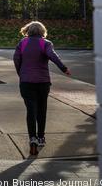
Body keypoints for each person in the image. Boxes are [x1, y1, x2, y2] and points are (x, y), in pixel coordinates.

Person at [13, 20, 71, 156]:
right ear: (42, 31)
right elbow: (53, 56)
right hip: (43, 82)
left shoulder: (22, 43)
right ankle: (41, 137)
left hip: (26, 82)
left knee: (31, 110)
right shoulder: (45, 43)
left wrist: (21, 73)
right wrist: (64, 68)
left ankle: (32, 138)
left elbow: (16, 59)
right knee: (42, 109)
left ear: (28, 31)